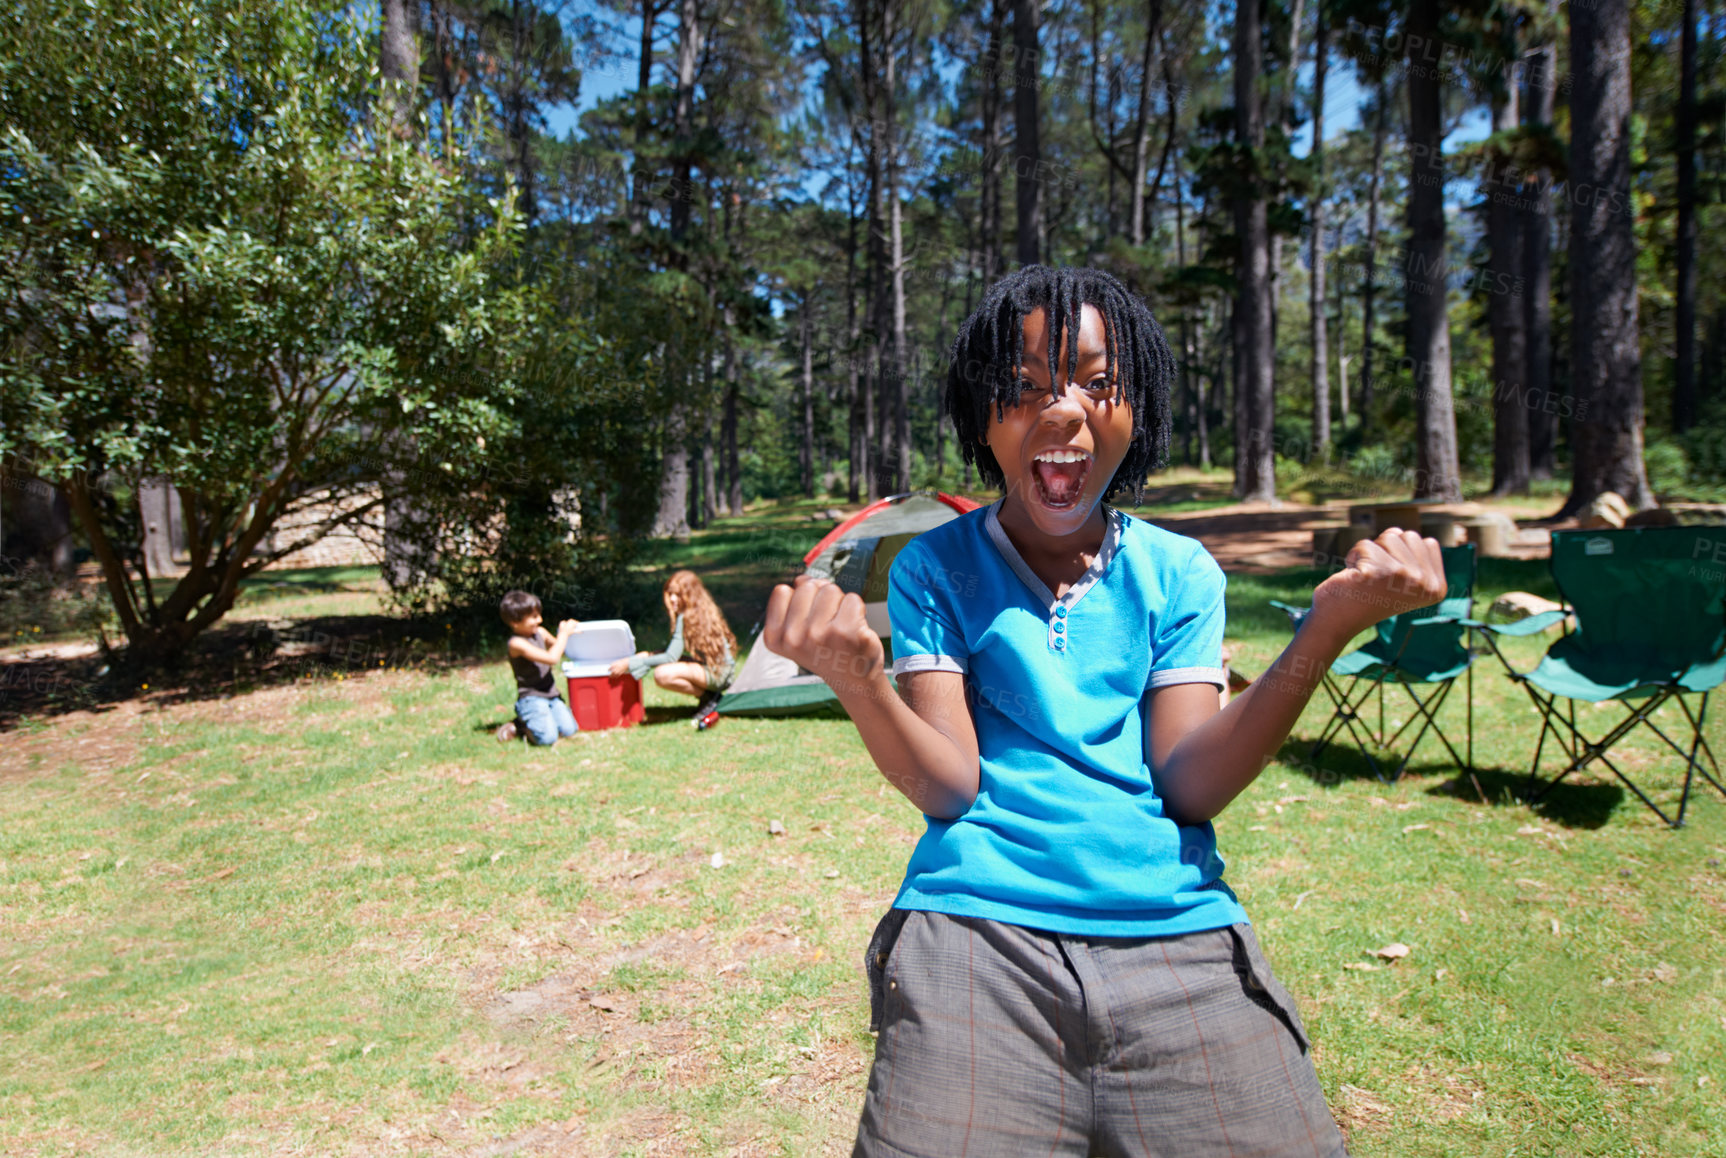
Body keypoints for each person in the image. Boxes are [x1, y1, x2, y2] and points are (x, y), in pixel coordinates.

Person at [762, 265, 1449, 1157]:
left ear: (1141, 409)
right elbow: (949, 786)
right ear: (983, 415)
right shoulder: (936, 569)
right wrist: (861, 684)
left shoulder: (1180, 573)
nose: (1063, 411)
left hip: (1178, 932)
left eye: (1096, 382)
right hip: (975, 926)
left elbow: (1190, 785)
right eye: (1024, 388)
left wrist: (1326, 629)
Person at [609, 569, 739, 724]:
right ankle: (711, 698)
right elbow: (674, 654)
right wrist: (647, 655)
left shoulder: (687, 617)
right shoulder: (697, 612)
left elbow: (670, 658)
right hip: (719, 671)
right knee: (667, 668)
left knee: (662, 674)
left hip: (718, 674)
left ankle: (709, 698)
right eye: (669, 593)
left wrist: (630, 663)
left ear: (690, 595)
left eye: (677, 594)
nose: (672, 599)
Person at [496, 590, 581, 746]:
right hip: (531, 698)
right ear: (515, 621)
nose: (540, 620)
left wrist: (572, 634)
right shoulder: (516, 644)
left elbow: (559, 647)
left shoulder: (540, 633)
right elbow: (552, 658)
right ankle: (519, 726)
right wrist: (564, 634)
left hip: (551, 694)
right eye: (534, 617)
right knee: (547, 739)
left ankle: (539, 719)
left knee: (570, 730)